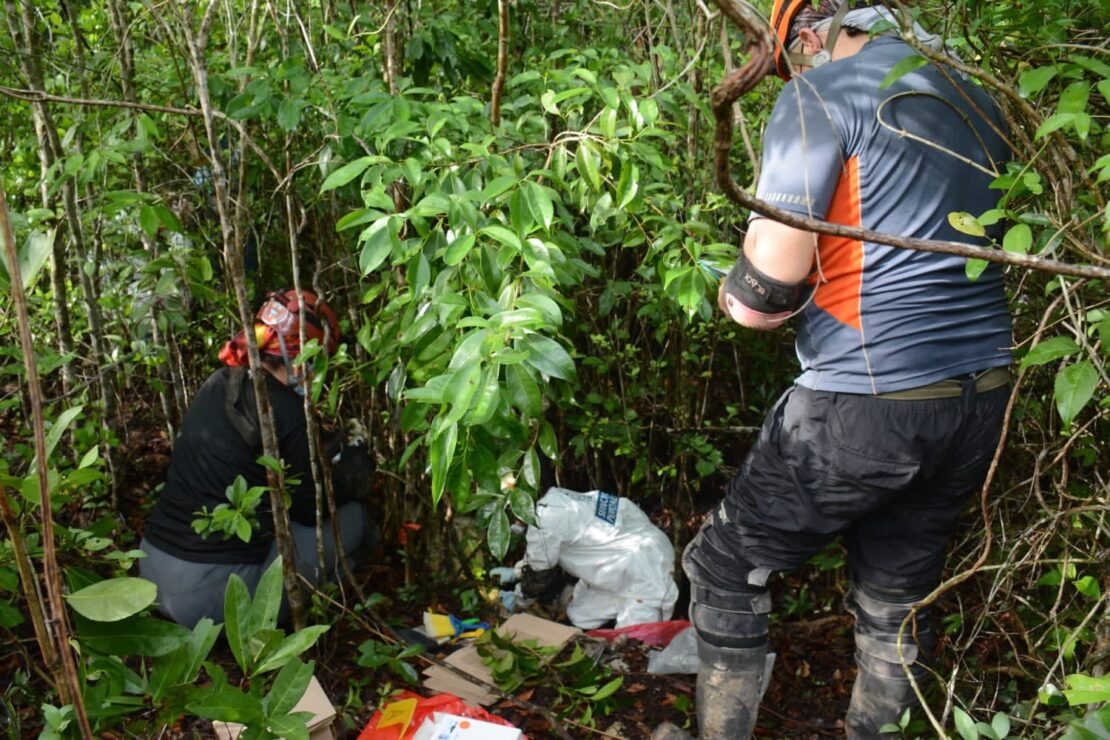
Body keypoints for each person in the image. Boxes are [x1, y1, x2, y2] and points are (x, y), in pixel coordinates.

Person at [658, 3, 1013, 738]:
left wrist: (736, 291)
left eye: (793, 60)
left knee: (724, 568)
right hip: (982, 395)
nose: (796, 75)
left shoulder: (823, 91)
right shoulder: (981, 94)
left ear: (811, 37)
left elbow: (765, 295)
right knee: (897, 593)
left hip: (865, 398)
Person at [140, 288, 377, 628]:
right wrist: (353, 472)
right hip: (207, 596)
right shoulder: (287, 409)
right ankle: (310, 613)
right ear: (301, 357)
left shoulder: (219, 382)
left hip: (153, 573)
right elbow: (313, 510)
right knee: (355, 519)